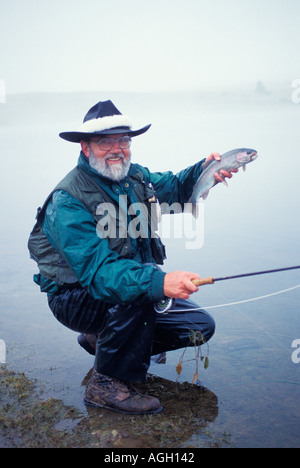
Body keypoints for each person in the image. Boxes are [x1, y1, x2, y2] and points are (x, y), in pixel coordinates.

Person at [28, 100, 236, 415]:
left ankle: (101, 342)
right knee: (139, 290)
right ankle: (105, 385)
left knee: (198, 325)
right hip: (75, 297)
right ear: (85, 147)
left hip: (121, 286)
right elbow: (102, 275)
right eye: (105, 141)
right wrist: (162, 282)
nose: (117, 149)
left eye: (123, 140)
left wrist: (205, 171)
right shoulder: (67, 201)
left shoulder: (134, 176)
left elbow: (177, 188)